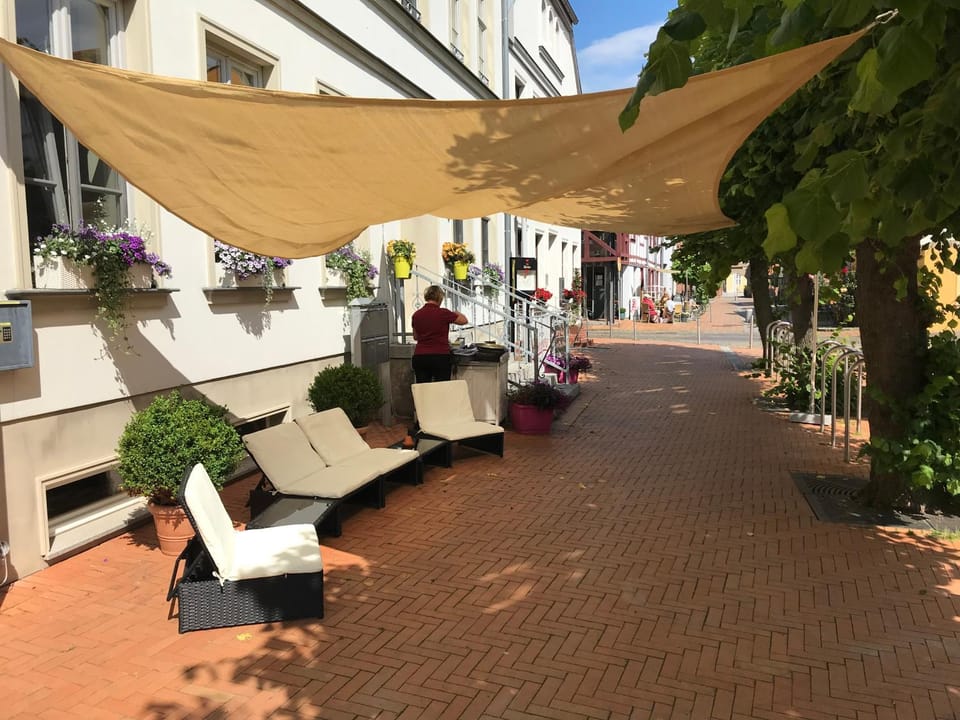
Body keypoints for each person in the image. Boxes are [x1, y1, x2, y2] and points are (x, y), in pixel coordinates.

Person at [411, 285, 468, 383]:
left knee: (423, 391)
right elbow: (464, 320)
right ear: (439, 298)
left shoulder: (416, 315)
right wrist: (456, 312)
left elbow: (416, 337)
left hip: (420, 357)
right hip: (440, 356)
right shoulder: (443, 313)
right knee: (441, 390)